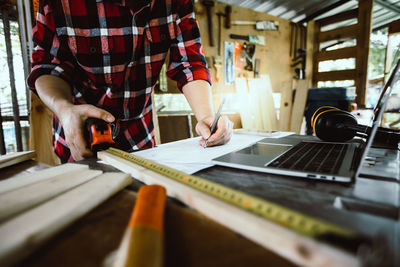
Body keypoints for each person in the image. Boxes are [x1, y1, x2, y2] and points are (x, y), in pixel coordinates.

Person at [28, 0, 233, 162]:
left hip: (139, 136)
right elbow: (47, 66)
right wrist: (64, 110)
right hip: (79, 135)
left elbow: (189, 62)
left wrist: (206, 115)